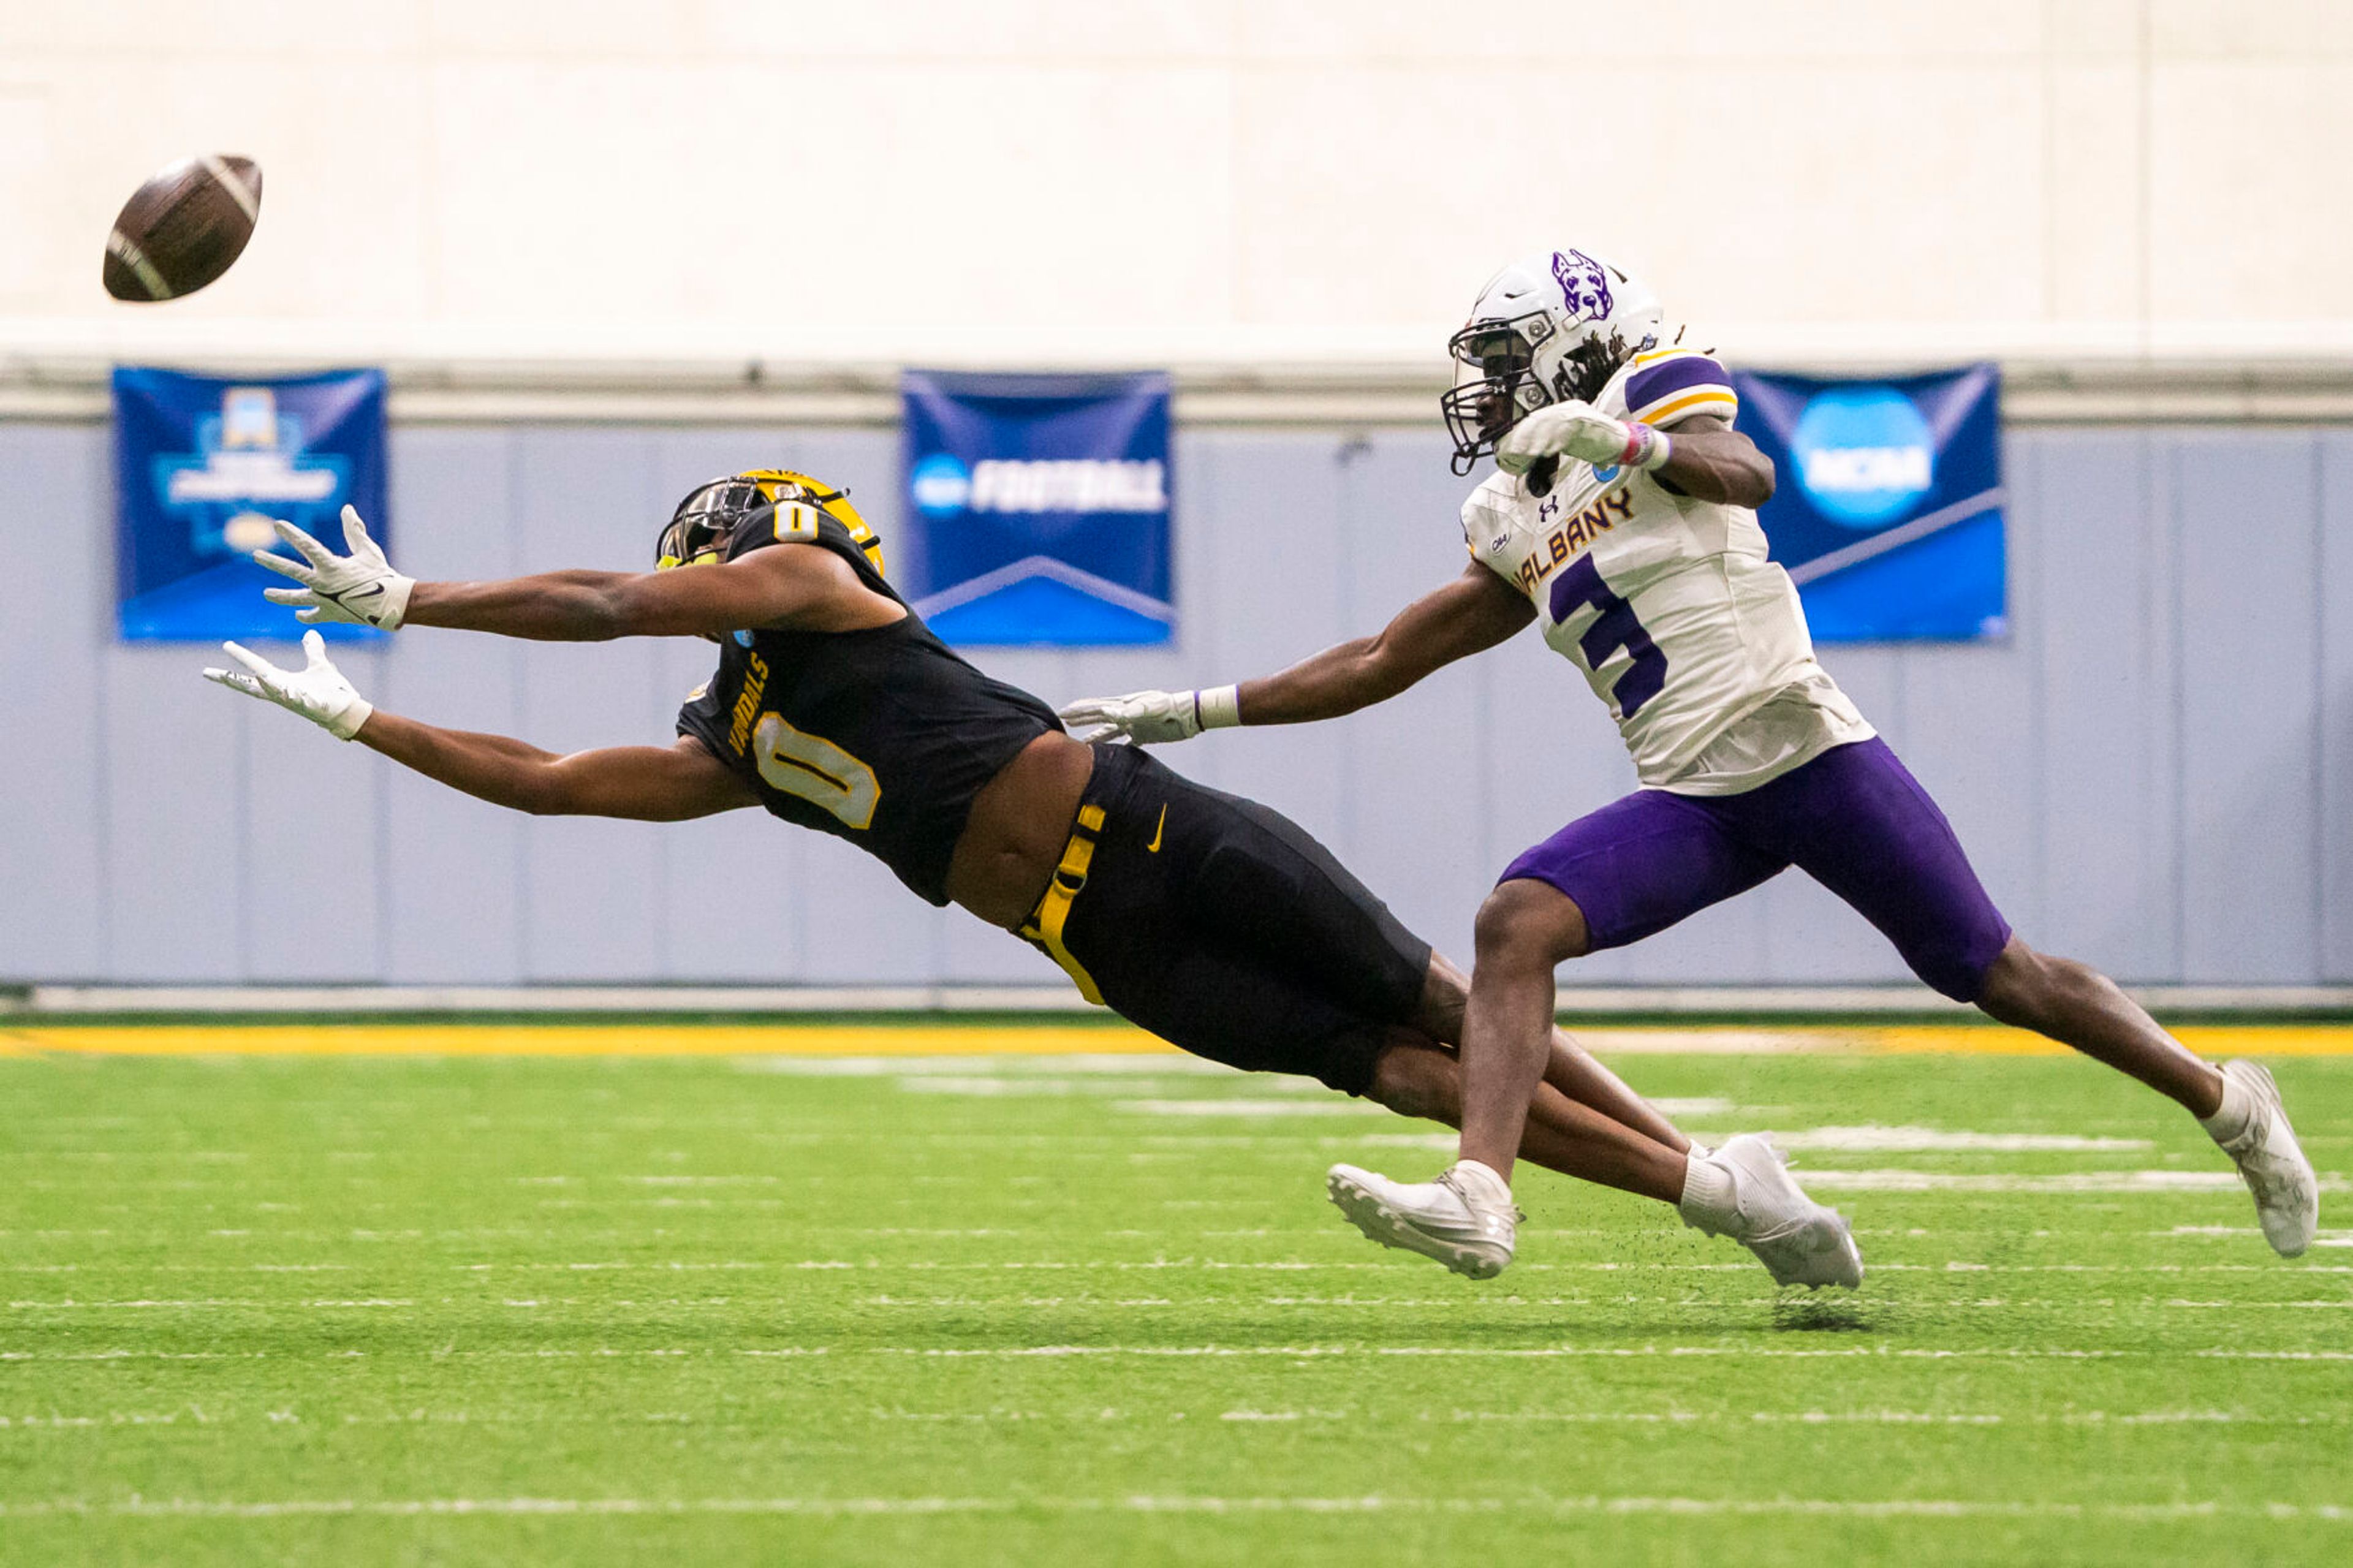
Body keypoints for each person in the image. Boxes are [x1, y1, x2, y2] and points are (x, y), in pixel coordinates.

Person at [200, 468, 1860, 1289]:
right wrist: (365, 721)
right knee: (1406, 1073)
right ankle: (1731, 1200)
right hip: (1095, 939)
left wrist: (413, 599)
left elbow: (602, 609)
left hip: (1148, 826)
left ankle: (1715, 1173)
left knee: (1437, 997)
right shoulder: (743, 732)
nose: (703, 580)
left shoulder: (815, 586)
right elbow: (556, 785)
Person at [1059, 248, 2319, 1281]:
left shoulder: (1654, 388)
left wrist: (1627, 447)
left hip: (1801, 747)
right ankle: (1481, 1196)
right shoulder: (1515, 509)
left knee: (1997, 970)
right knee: (1517, 920)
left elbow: (1748, 471)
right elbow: (1388, 655)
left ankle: (2229, 1102)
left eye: (1504, 362)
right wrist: (1193, 707)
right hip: (1696, 795)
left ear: (1566, 345)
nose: (1488, 389)